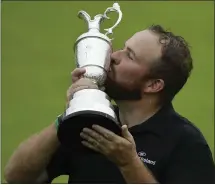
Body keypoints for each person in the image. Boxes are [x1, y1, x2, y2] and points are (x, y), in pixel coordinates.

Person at [4, 25, 215, 184]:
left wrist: (128, 164)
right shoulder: (89, 122)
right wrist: (70, 113)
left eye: (129, 56)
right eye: (122, 48)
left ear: (153, 84)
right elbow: (16, 178)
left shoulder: (186, 144)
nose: (113, 56)